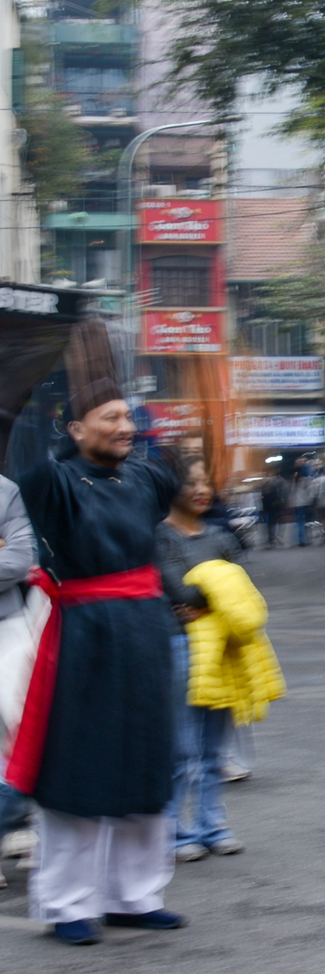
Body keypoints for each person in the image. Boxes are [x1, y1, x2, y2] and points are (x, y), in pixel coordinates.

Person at [12, 380, 189, 945]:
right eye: (108, 417)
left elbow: (176, 479)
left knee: (147, 763)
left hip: (146, 633)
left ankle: (135, 897)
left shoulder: (144, 475)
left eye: (127, 417)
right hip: (84, 634)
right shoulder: (53, 480)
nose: (124, 427)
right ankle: (67, 904)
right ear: (76, 429)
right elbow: (28, 470)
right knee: (80, 766)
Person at [156, 456, 247, 862]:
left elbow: (242, 591)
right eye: (191, 482)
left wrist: (206, 600)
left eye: (206, 480)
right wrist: (217, 596)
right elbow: (178, 590)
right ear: (170, 490)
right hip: (180, 645)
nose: (201, 489)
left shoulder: (221, 536)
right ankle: (177, 832)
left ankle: (213, 825)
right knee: (182, 749)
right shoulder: (161, 537)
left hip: (224, 646)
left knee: (214, 748)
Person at [0, 471, 39, 890]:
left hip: (7, 626)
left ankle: (22, 824)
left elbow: (18, 560)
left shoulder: (4, 490)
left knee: (18, 728)